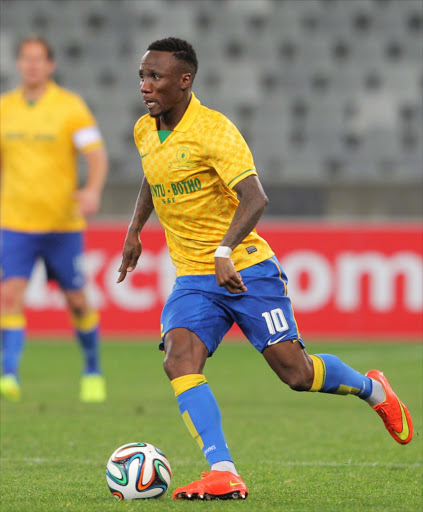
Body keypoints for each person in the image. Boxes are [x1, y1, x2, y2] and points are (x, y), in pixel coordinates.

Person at [117, 37, 413, 501]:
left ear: (185, 80)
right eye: (142, 76)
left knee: (296, 373)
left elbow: (256, 198)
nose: (145, 86)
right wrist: (134, 232)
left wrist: (224, 250)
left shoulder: (214, 130)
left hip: (246, 270)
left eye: (155, 77)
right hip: (195, 278)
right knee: (178, 358)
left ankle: (371, 389)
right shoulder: (143, 130)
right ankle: (223, 470)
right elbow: (155, 178)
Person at [0, 36, 108, 403]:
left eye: (38, 60)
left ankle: (92, 368)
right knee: (8, 296)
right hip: (15, 222)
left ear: (50, 65)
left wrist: (92, 190)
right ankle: (9, 373)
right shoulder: (5, 108)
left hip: (62, 225)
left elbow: (96, 156)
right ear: (19, 64)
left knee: (77, 301)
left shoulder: (70, 107)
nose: (32, 66)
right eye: (25, 59)